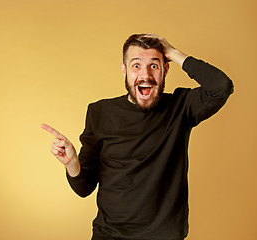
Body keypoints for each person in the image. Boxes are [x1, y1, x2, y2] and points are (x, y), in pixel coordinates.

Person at [41, 33, 234, 240]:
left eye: (154, 65)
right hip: (109, 236)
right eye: (136, 65)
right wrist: (71, 163)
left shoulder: (181, 107)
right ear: (124, 71)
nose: (145, 75)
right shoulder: (100, 112)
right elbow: (84, 187)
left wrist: (173, 53)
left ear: (165, 69)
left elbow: (221, 87)